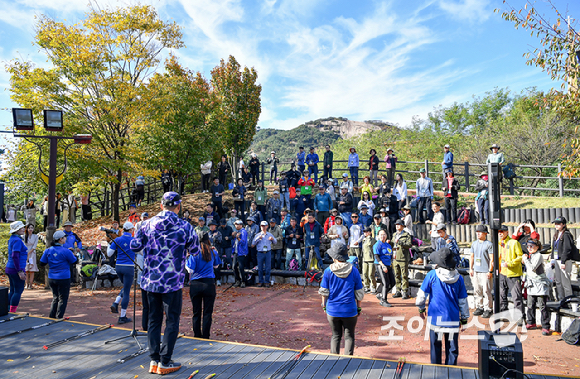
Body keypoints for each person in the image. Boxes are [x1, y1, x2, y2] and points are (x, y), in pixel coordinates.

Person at [130, 192, 198, 375]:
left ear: (161, 205)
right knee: (172, 320)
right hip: (172, 281)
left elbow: (135, 247)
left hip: (151, 281)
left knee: (153, 319)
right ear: (178, 207)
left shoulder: (146, 224)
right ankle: (165, 361)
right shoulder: (185, 226)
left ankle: (154, 360)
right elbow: (195, 250)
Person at [416, 247, 469, 366]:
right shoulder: (459, 278)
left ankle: (436, 370)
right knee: (452, 349)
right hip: (452, 319)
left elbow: (421, 295)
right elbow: (463, 301)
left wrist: (421, 308)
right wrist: (464, 319)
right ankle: (451, 371)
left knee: (435, 347)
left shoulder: (432, 275)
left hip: (435, 319)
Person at [319, 242, 364, 356]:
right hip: (350, 310)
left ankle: (334, 361)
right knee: (349, 336)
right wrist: (358, 308)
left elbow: (324, 291)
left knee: (335, 336)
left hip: (333, 310)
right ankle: (348, 361)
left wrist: (324, 306)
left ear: (334, 257)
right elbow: (359, 292)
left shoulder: (328, 271)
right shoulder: (354, 271)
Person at [186, 232, 221, 339]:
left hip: (196, 284)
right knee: (207, 312)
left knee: (196, 312)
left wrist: (187, 258)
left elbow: (190, 269)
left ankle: (197, 335)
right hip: (209, 284)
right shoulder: (213, 252)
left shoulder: (195, 253)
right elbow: (216, 266)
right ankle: (206, 335)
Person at [39, 230, 78, 319]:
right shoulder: (66, 251)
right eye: (64, 237)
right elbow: (74, 261)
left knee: (55, 297)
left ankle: (51, 316)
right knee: (63, 298)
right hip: (64, 277)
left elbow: (42, 263)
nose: (65, 239)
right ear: (61, 239)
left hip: (52, 277)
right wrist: (74, 254)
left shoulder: (48, 250)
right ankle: (59, 317)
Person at [107, 222, 136, 324]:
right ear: (131, 230)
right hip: (129, 267)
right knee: (127, 290)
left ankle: (116, 302)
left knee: (126, 286)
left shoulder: (117, 239)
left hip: (118, 266)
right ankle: (122, 316)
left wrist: (109, 244)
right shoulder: (133, 240)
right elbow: (141, 252)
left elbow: (109, 253)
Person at [523, 238, 552, 335]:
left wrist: (525, 259)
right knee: (530, 304)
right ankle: (531, 322)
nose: (529, 248)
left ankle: (545, 326)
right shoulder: (530, 255)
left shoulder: (539, 255)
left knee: (542, 305)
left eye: (531, 246)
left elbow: (532, 268)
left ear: (537, 247)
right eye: (528, 246)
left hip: (540, 283)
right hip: (531, 283)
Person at [497, 225, 524, 325]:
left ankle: (519, 317)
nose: (500, 233)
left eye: (502, 231)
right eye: (499, 231)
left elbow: (520, 257)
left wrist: (510, 263)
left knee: (516, 296)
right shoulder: (498, 244)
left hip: (513, 273)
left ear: (507, 232)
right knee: (501, 296)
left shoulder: (514, 242)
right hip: (501, 273)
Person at [551, 216, 580, 305]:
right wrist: (552, 259)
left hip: (564, 261)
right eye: (555, 223)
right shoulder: (556, 234)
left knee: (565, 282)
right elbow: (553, 248)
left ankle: (569, 301)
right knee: (558, 282)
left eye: (558, 224)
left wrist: (563, 261)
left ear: (563, 224)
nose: (556, 225)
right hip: (557, 260)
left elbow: (567, 249)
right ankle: (561, 299)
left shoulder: (566, 234)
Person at [469, 225, 494, 319]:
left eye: (480, 232)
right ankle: (480, 307)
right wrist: (471, 268)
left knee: (486, 290)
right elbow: (472, 256)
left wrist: (490, 270)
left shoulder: (489, 244)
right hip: (476, 271)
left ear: (485, 233)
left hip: (485, 271)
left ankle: (488, 308)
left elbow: (492, 258)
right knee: (477, 290)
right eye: (477, 232)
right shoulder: (474, 244)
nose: (478, 233)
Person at [6, 221, 28, 312]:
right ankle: (12, 311)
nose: (23, 229)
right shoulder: (17, 240)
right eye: (21, 228)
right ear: (16, 230)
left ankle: (6, 308)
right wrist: (19, 271)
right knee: (18, 290)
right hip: (16, 269)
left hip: (10, 267)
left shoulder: (13, 238)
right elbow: (15, 255)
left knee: (13, 290)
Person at [252, 221, 277, 287]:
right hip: (260, 253)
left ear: (267, 226)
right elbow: (253, 244)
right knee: (260, 268)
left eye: (264, 226)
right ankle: (260, 281)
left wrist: (272, 239)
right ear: (260, 227)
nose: (263, 227)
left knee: (268, 268)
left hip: (268, 252)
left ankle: (267, 281)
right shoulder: (257, 235)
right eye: (262, 226)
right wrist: (258, 238)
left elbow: (275, 242)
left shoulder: (269, 234)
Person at [392, 219, 412, 299]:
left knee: (404, 275)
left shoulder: (407, 235)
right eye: (396, 224)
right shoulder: (394, 234)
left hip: (403, 258)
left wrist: (400, 242)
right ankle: (398, 290)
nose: (397, 226)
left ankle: (405, 291)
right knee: (396, 275)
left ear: (403, 226)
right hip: (395, 257)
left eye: (399, 224)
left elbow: (409, 245)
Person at [373, 229, 394, 307]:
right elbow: (377, 256)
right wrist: (383, 265)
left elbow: (390, 255)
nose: (383, 236)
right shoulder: (377, 244)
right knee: (385, 282)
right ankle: (383, 300)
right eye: (381, 234)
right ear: (378, 236)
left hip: (388, 265)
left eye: (384, 234)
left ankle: (381, 294)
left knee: (392, 282)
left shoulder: (388, 245)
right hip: (380, 265)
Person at [232, 219, 249, 287]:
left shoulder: (243, 232)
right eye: (235, 224)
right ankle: (237, 280)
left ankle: (243, 281)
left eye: (237, 224)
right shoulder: (237, 232)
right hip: (236, 251)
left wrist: (238, 238)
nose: (236, 225)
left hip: (242, 252)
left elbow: (243, 242)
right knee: (234, 267)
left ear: (241, 225)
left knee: (241, 267)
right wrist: (234, 236)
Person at [361, 227, 376, 293]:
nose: (365, 233)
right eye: (364, 232)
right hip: (365, 259)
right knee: (364, 273)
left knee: (371, 274)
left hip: (371, 259)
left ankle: (373, 287)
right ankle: (367, 286)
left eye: (367, 232)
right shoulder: (364, 240)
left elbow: (370, 244)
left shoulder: (372, 240)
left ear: (370, 232)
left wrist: (369, 237)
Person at [24, 223, 39, 289]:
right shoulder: (23, 236)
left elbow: (34, 246)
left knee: (32, 270)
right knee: (26, 270)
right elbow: (24, 245)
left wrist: (29, 253)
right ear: (27, 229)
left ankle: (31, 284)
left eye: (32, 228)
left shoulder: (35, 236)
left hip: (32, 253)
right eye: (29, 228)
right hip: (25, 253)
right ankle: (26, 284)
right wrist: (26, 254)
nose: (30, 229)